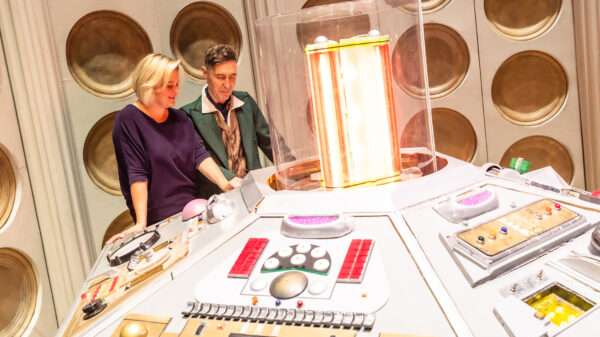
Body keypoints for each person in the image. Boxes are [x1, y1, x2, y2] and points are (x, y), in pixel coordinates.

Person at [107, 53, 240, 244]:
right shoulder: (129, 119)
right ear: (150, 84)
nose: (176, 91)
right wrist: (141, 223)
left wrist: (224, 183)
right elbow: (136, 173)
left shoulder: (180, 118)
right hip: (160, 222)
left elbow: (199, 155)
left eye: (177, 84)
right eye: (169, 85)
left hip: (194, 211)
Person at [181, 44, 272, 199]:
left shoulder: (246, 102)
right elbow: (202, 159)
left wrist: (296, 170)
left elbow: (271, 143)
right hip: (218, 199)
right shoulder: (189, 115)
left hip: (257, 192)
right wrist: (232, 181)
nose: (228, 85)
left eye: (232, 76)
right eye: (220, 77)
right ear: (205, 73)